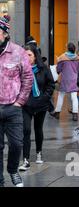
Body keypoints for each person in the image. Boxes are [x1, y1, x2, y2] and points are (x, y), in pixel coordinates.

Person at [0, 15, 33, 187]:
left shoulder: (18, 52)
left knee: (16, 144)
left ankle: (13, 170)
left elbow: (28, 77)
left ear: (5, 34)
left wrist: (20, 101)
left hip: (13, 107)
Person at [19, 45, 55, 171]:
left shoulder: (43, 68)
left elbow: (51, 84)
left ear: (35, 56)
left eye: (29, 55)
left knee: (38, 129)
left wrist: (45, 97)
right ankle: (25, 160)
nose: (27, 57)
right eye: (25, 54)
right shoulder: (21, 68)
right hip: (26, 105)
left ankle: (39, 152)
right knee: (26, 130)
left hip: (41, 104)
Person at [50, 42, 79, 121]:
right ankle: (75, 114)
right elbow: (78, 69)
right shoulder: (78, 58)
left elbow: (58, 70)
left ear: (67, 48)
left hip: (65, 79)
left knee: (61, 95)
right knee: (74, 97)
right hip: (75, 79)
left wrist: (58, 62)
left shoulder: (62, 58)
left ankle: (57, 112)